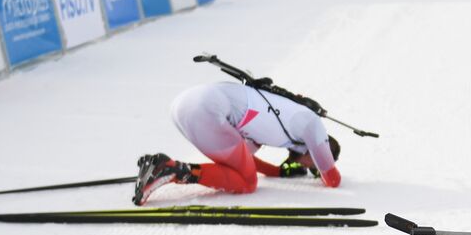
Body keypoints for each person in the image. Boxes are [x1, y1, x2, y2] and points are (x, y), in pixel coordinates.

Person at [133, 80, 343, 205]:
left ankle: (165, 168)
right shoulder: (313, 124)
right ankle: (171, 170)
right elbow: (332, 179)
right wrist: (324, 170)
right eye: (313, 168)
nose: (309, 168)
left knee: (239, 172)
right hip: (208, 109)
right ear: (320, 151)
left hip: (183, 105)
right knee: (248, 183)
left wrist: (277, 172)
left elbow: (243, 158)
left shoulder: (276, 128)